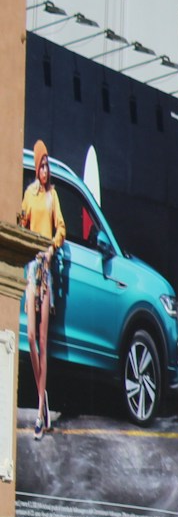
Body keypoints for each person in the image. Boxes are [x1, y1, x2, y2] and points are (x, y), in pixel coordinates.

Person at [15, 139, 64, 439]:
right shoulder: (29, 195)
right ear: (36, 168)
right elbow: (23, 223)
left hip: (45, 270)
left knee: (43, 341)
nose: (45, 170)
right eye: (41, 165)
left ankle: (38, 412)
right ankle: (43, 397)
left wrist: (51, 248)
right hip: (30, 269)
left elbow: (61, 228)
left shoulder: (52, 196)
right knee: (30, 336)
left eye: (47, 164)